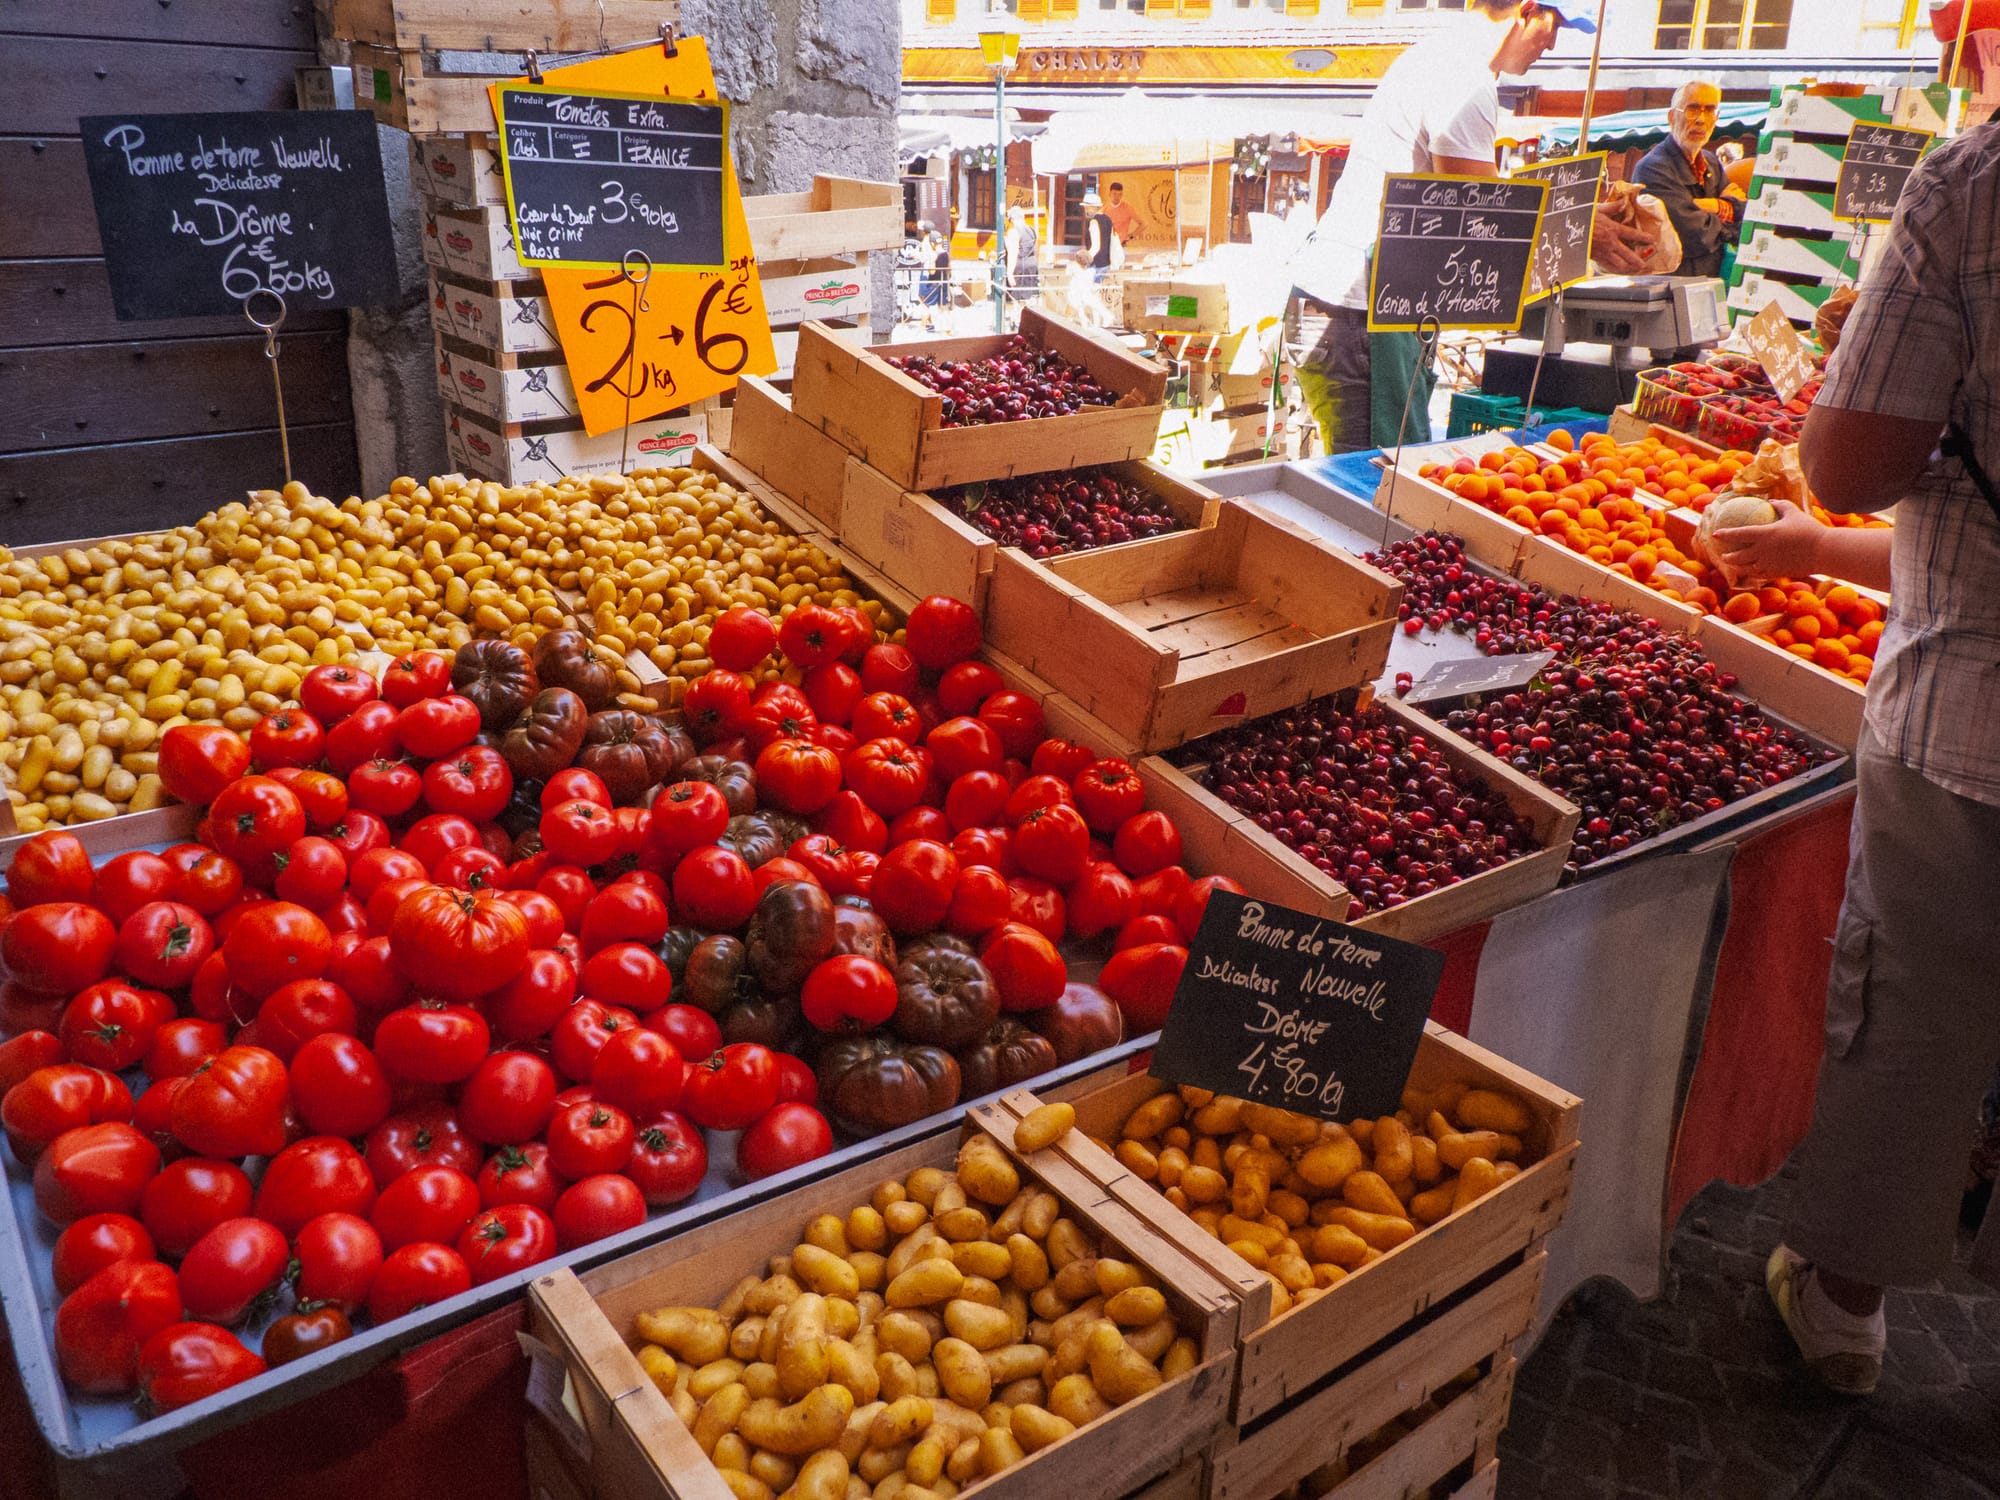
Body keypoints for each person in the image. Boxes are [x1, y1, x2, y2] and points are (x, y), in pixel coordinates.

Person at [1760, 119, 2000, 1397]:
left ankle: (1843, 1303)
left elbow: (1845, 467)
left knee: (1915, 1008)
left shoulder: (1973, 185)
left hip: (1974, 703)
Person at [1284, 0, 1593, 455]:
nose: (1552, 42)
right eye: (1554, 25)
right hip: (1356, 313)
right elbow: (1479, 210)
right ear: (1526, 10)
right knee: (1377, 489)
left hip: (1353, 309)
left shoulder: (1442, 55)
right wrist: (1579, 229)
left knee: (1374, 485)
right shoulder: (1463, 76)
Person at [1633, 81, 1744, 280]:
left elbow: (1744, 217)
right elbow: (1694, 235)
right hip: (1670, 290)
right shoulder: (1652, 168)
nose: (1701, 120)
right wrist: (1725, 211)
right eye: (1692, 109)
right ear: (1671, 117)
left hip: (1710, 285)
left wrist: (1713, 206)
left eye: (1709, 110)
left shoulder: (1712, 163)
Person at [1006, 205, 1039, 310]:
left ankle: (1017, 320)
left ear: (1013, 219)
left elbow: (1013, 253)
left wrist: (1009, 273)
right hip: (1032, 265)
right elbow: (1035, 250)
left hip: (1020, 267)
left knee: (1018, 299)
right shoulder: (1032, 230)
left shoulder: (1014, 232)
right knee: (1031, 298)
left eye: (1010, 221)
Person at [1079, 190, 1115, 284]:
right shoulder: (1107, 219)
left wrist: (1085, 259)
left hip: (1096, 264)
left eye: (1087, 207)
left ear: (1094, 207)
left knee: (1093, 294)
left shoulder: (1094, 221)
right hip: (1107, 263)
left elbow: (1096, 246)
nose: (1086, 210)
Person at [1105, 181, 1146, 246]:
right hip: (1107, 245)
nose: (1117, 197)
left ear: (1122, 195)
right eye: (1114, 194)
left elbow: (1143, 224)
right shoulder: (1104, 210)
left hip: (1121, 245)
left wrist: (1131, 236)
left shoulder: (1127, 208)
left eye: (1119, 194)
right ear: (1109, 194)